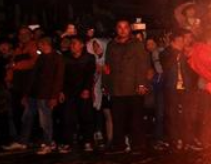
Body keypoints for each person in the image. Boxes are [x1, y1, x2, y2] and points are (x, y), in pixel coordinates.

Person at [7, 37, 64, 155]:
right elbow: (33, 77)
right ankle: (23, 141)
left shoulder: (57, 58)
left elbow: (58, 78)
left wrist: (54, 96)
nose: (38, 47)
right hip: (34, 93)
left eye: (40, 45)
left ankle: (48, 143)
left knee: (45, 120)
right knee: (27, 117)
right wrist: (26, 94)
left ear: (45, 44)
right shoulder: (41, 58)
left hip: (46, 94)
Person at [104, 19, 150, 152]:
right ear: (116, 29)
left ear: (129, 29)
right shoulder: (111, 45)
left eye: (125, 27)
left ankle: (137, 144)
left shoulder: (137, 44)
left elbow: (143, 65)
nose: (122, 30)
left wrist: (142, 84)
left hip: (133, 88)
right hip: (116, 88)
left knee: (136, 119)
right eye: (120, 27)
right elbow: (107, 67)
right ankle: (119, 144)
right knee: (117, 119)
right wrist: (106, 85)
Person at [160, 28, 201, 150]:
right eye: (180, 40)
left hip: (186, 88)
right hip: (171, 88)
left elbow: (194, 71)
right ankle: (174, 141)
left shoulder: (186, 54)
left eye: (183, 40)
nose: (183, 43)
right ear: (173, 42)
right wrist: (176, 55)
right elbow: (165, 67)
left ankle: (187, 141)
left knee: (187, 115)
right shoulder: (165, 53)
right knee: (172, 115)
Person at [60, 37, 97, 152]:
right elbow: (62, 76)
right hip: (69, 92)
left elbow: (89, 75)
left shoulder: (89, 58)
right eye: (71, 44)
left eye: (74, 43)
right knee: (67, 118)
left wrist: (86, 89)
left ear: (81, 45)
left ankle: (88, 141)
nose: (72, 46)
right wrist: (61, 91)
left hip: (83, 91)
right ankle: (68, 142)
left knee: (86, 117)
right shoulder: (65, 58)